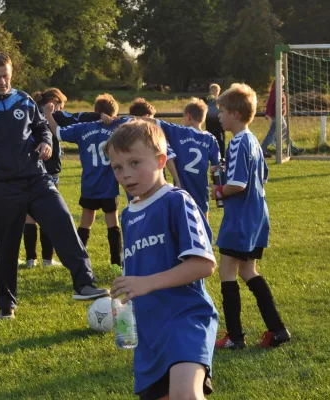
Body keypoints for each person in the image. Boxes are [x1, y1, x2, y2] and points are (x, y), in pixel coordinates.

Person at [0, 51, 109, 320]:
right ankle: (6, 304)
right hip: (1, 186)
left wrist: (46, 143)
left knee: (62, 220)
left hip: (37, 179)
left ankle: (84, 283)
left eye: (6, 76)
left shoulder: (24, 100)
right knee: (6, 246)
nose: (2, 81)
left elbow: (41, 128)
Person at [106, 120, 218, 399]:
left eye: (134, 163)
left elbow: (204, 264)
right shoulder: (129, 215)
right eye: (118, 167)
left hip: (185, 319)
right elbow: (136, 274)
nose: (126, 174)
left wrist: (147, 283)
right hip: (149, 333)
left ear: (160, 160)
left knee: (186, 394)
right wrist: (124, 302)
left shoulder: (177, 202)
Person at [210, 83, 290, 349]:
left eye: (221, 111)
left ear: (234, 113)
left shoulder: (236, 143)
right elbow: (262, 175)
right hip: (257, 214)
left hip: (241, 217)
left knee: (227, 270)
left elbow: (238, 185)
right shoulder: (253, 139)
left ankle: (235, 336)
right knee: (247, 270)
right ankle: (277, 330)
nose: (219, 116)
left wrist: (218, 190)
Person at [20, 88, 110, 268]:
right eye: (62, 105)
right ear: (55, 102)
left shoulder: (28, 112)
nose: (62, 109)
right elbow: (77, 117)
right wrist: (100, 116)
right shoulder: (54, 113)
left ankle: (31, 259)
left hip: (28, 170)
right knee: (48, 215)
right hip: (49, 170)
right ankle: (47, 260)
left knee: (29, 216)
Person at [45, 94, 124, 269]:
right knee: (112, 223)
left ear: (95, 111)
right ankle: (116, 263)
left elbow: (58, 133)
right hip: (109, 185)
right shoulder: (117, 126)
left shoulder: (82, 128)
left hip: (89, 184)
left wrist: (49, 115)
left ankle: (79, 261)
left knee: (85, 222)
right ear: (113, 113)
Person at [155, 97, 220, 220]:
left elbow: (152, 122)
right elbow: (216, 167)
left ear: (188, 116)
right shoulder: (211, 138)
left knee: (181, 221)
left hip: (182, 186)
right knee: (203, 220)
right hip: (201, 187)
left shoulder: (179, 131)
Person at [128, 97, 181, 189]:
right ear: (147, 117)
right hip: (155, 182)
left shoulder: (126, 137)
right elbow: (168, 158)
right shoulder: (154, 136)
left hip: (132, 182)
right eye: (152, 118)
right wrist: (177, 180)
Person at [260, 76, 304, 157]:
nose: (284, 81)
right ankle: (292, 149)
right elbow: (270, 103)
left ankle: (262, 150)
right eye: (282, 80)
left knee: (272, 133)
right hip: (277, 116)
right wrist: (267, 113)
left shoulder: (280, 90)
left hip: (279, 115)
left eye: (284, 80)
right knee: (284, 132)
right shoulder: (275, 91)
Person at [202, 83, 226, 159]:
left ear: (219, 92)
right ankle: (209, 158)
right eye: (212, 90)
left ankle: (222, 159)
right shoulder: (206, 101)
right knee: (209, 143)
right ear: (210, 91)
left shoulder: (221, 101)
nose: (214, 92)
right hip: (209, 126)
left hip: (220, 126)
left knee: (221, 144)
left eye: (216, 91)